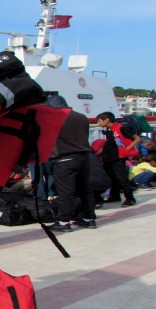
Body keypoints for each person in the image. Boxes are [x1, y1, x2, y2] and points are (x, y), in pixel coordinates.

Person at [45, 95, 96, 232]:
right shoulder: (81, 117)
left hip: (65, 159)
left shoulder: (54, 119)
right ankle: (89, 219)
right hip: (84, 157)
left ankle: (63, 222)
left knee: (65, 192)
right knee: (85, 190)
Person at [96, 112, 141, 207]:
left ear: (107, 120)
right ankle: (115, 195)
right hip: (109, 156)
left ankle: (130, 198)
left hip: (118, 157)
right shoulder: (110, 130)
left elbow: (137, 138)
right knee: (111, 177)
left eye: (99, 121)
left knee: (121, 177)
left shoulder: (120, 128)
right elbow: (111, 142)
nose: (98, 123)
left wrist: (127, 149)